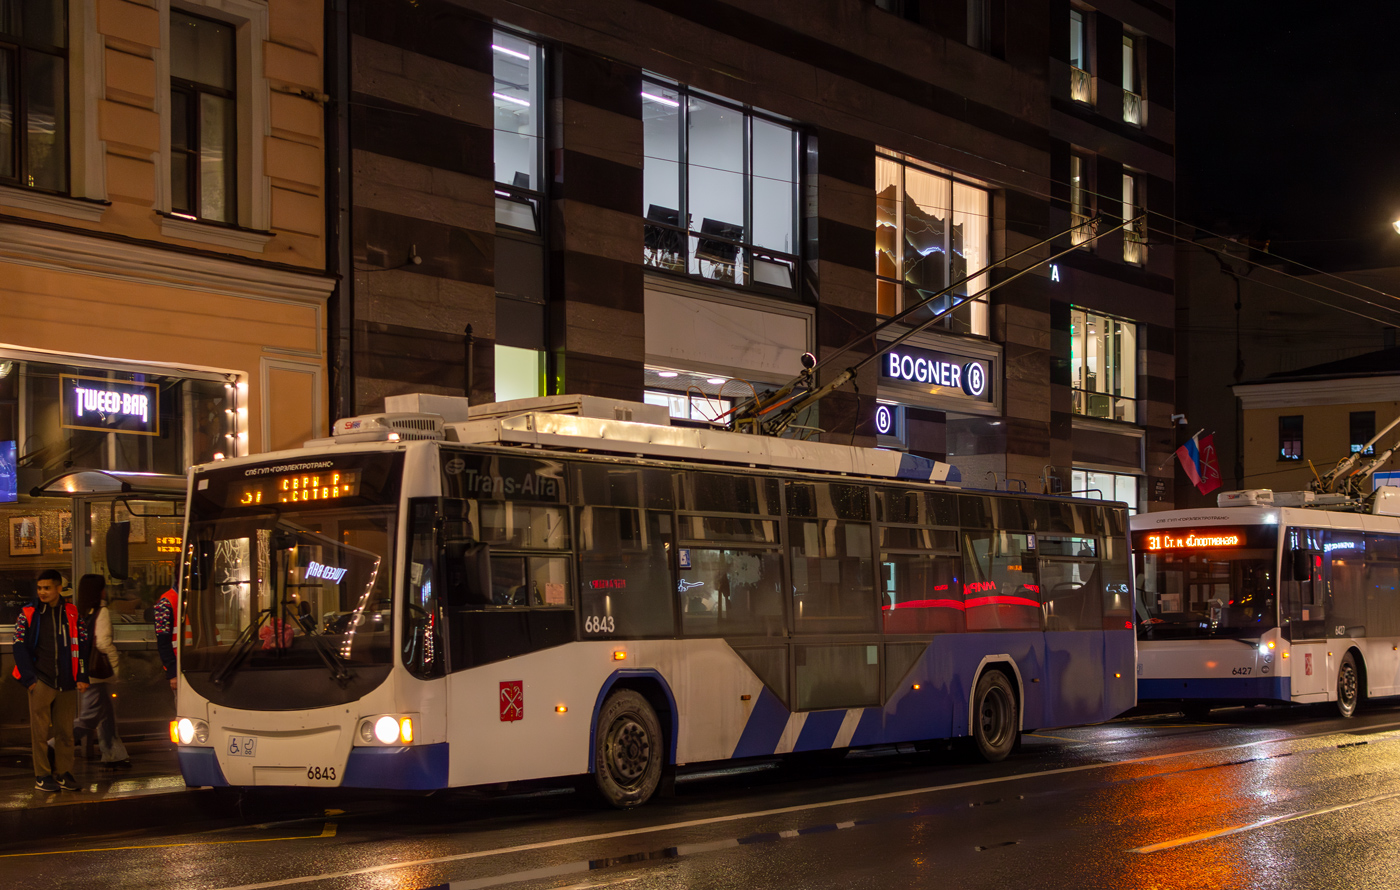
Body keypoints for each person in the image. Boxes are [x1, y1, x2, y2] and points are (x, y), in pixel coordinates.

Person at [12, 569, 89, 792]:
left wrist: (82, 676)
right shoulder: (28, 613)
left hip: (66, 681)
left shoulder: (72, 613)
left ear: (58, 588)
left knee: (66, 732)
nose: (42, 592)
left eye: (47, 588)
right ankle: (42, 775)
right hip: (41, 680)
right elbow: (18, 646)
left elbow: (82, 646)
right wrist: (30, 679)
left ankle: (64, 773)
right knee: (40, 732)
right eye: (39, 588)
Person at [72, 575, 131, 770]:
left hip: (86, 671)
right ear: (98, 591)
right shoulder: (101, 612)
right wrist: (115, 668)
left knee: (106, 716)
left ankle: (114, 755)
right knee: (89, 718)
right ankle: (54, 746)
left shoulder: (80, 612)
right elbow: (103, 644)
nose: (106, 591)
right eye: (103, 588)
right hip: (99, 674)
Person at [154, 587, 178, 695]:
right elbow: (163, 641)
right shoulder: (165, 602)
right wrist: (172, 672)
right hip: (179, 667)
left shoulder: (191, 597)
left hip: (192, 665)